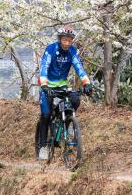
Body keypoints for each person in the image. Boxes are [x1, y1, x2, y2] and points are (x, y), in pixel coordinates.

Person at [38, 27, 92, 159]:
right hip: (47, 86)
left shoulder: (72, 51)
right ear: (59, 39)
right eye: (64, 40)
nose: (67, 43)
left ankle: (66, 125)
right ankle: (43, 146)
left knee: (75, 100)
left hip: (62, 86)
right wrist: (44, 85)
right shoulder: (51, 49)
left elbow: (79, 67)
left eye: (69, 40)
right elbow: (44, 67)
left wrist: (86, 83)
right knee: (46, 114)